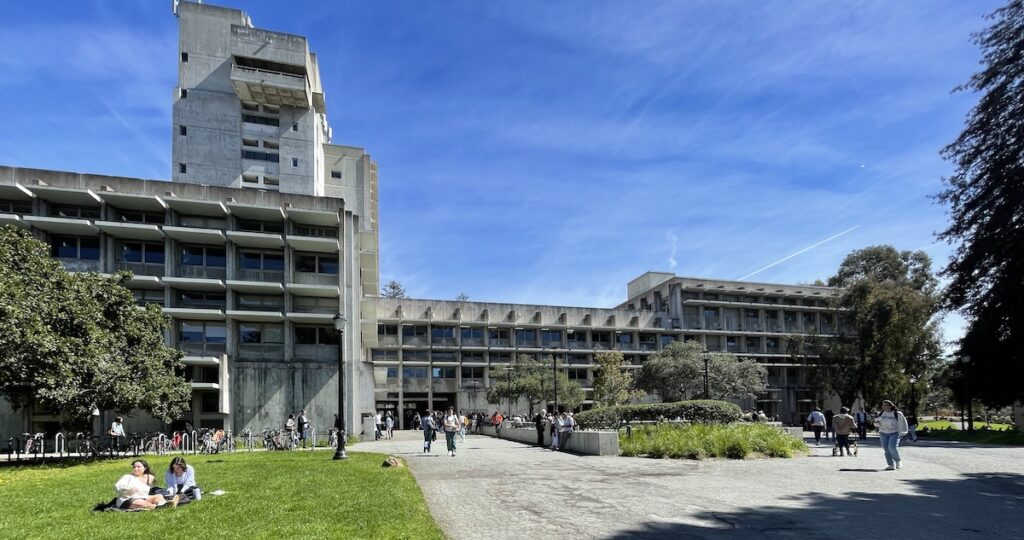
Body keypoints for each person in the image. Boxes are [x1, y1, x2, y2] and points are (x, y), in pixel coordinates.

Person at [875, 399, 909, 470]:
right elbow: (877, 425)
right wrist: (876, 422)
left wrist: (901, 433)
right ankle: (890, 464)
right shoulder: (881, 413)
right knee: (886, 449)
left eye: (885, 405)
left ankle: (898, 461)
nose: (883, 407)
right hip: (883, 433)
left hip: (894, 433)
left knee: (892, 447)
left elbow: (902, 423)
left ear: (890, 406)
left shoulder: (897, 413)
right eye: (883, 405)